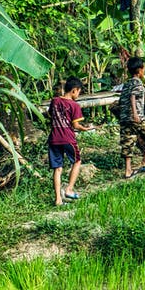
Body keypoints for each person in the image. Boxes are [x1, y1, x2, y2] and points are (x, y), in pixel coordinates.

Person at [49, 77, 94, 206]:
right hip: (68, 138)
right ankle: (69, 189)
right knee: (77, 161)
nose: (78, 95)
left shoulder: (55, 101)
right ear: (74, 90)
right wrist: (86, 128)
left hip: (54, 138)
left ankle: (58, 199)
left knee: (57, 169)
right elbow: (75, 125)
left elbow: (50, 115)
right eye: (79, 92)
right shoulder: (74, 105)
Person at [119, 56, 145, 178]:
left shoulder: (126, 84)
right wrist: (135, 113)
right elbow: (133, 96)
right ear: (140, 70)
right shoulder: (138, 83)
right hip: (135, 117)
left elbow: (122, 99)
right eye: (144, 68)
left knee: (128, 141)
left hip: (125, 118)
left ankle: (128, 170)